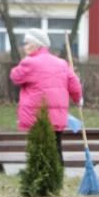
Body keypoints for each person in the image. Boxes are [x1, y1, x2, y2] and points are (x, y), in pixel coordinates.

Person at [10, 28, 82, 164]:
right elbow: (75, 85)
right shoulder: (62, 63)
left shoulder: (29, 62)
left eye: (27, 43)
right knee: (56, 150)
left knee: (38, 153)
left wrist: (25, 60)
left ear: (36, 44)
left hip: (36, 117)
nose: (24, 46)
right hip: (57, 118)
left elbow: (15, 77)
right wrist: (78, 100)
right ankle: (58, 179)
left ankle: (39, 181)